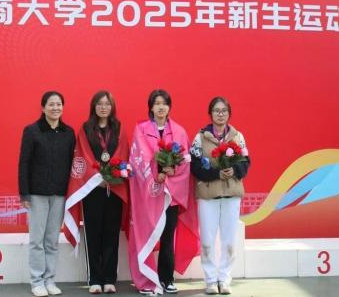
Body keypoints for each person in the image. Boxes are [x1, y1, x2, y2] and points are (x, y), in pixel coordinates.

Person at [127, 89, 199, 295]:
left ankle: (167, 279)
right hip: (149, 195)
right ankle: (146, 280)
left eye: (164, 103)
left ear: (169, 107)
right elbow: (138, 160)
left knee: (168, 237)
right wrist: (156, 175)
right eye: (157, 103)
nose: (160, 107)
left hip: (171, 196)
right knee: (146, 235)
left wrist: (171, 172)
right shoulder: (141, 130)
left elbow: (185, 162)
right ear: (151, 107)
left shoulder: (179, 132)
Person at [63, 91, 130, 294]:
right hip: (92, 190)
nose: (103, 107)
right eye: (99, 104)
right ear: (94, 106)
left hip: (113, 188)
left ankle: (109, 279)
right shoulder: (86, 129)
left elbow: (122, 152)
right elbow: (83, 154)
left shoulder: (119, 128)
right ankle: (94, 279)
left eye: (107, 104)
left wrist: (111, 175)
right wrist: (98, 178)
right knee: (93, 234)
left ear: (112, 107)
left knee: (111, 233)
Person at [190, 97, 251, 295]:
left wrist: (234, 171)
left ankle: (224, 279)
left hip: (232, 195)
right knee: (207, 241)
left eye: (224, 110)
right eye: (216, 110)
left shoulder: (238, 137)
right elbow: (194, 166)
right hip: (208, 196)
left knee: (229, 241)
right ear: (210, 114)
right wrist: (216, 174)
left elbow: (246, 162)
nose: (220, 114)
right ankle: (210, 280)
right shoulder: (200, 138)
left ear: (229, 113)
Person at [19, 91, 76, 297]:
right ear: (43, 108)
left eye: (59, 104)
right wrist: (24, 194)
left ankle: (50, 280)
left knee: (52, 240)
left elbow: (73, 163)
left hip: (60, 194)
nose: (55, 108)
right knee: (37, 240)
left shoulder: (68, 133)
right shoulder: (32, 131)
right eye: (51, 104)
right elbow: (24, 163)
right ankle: (36, 282)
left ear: (63, 107)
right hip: (37, 194)